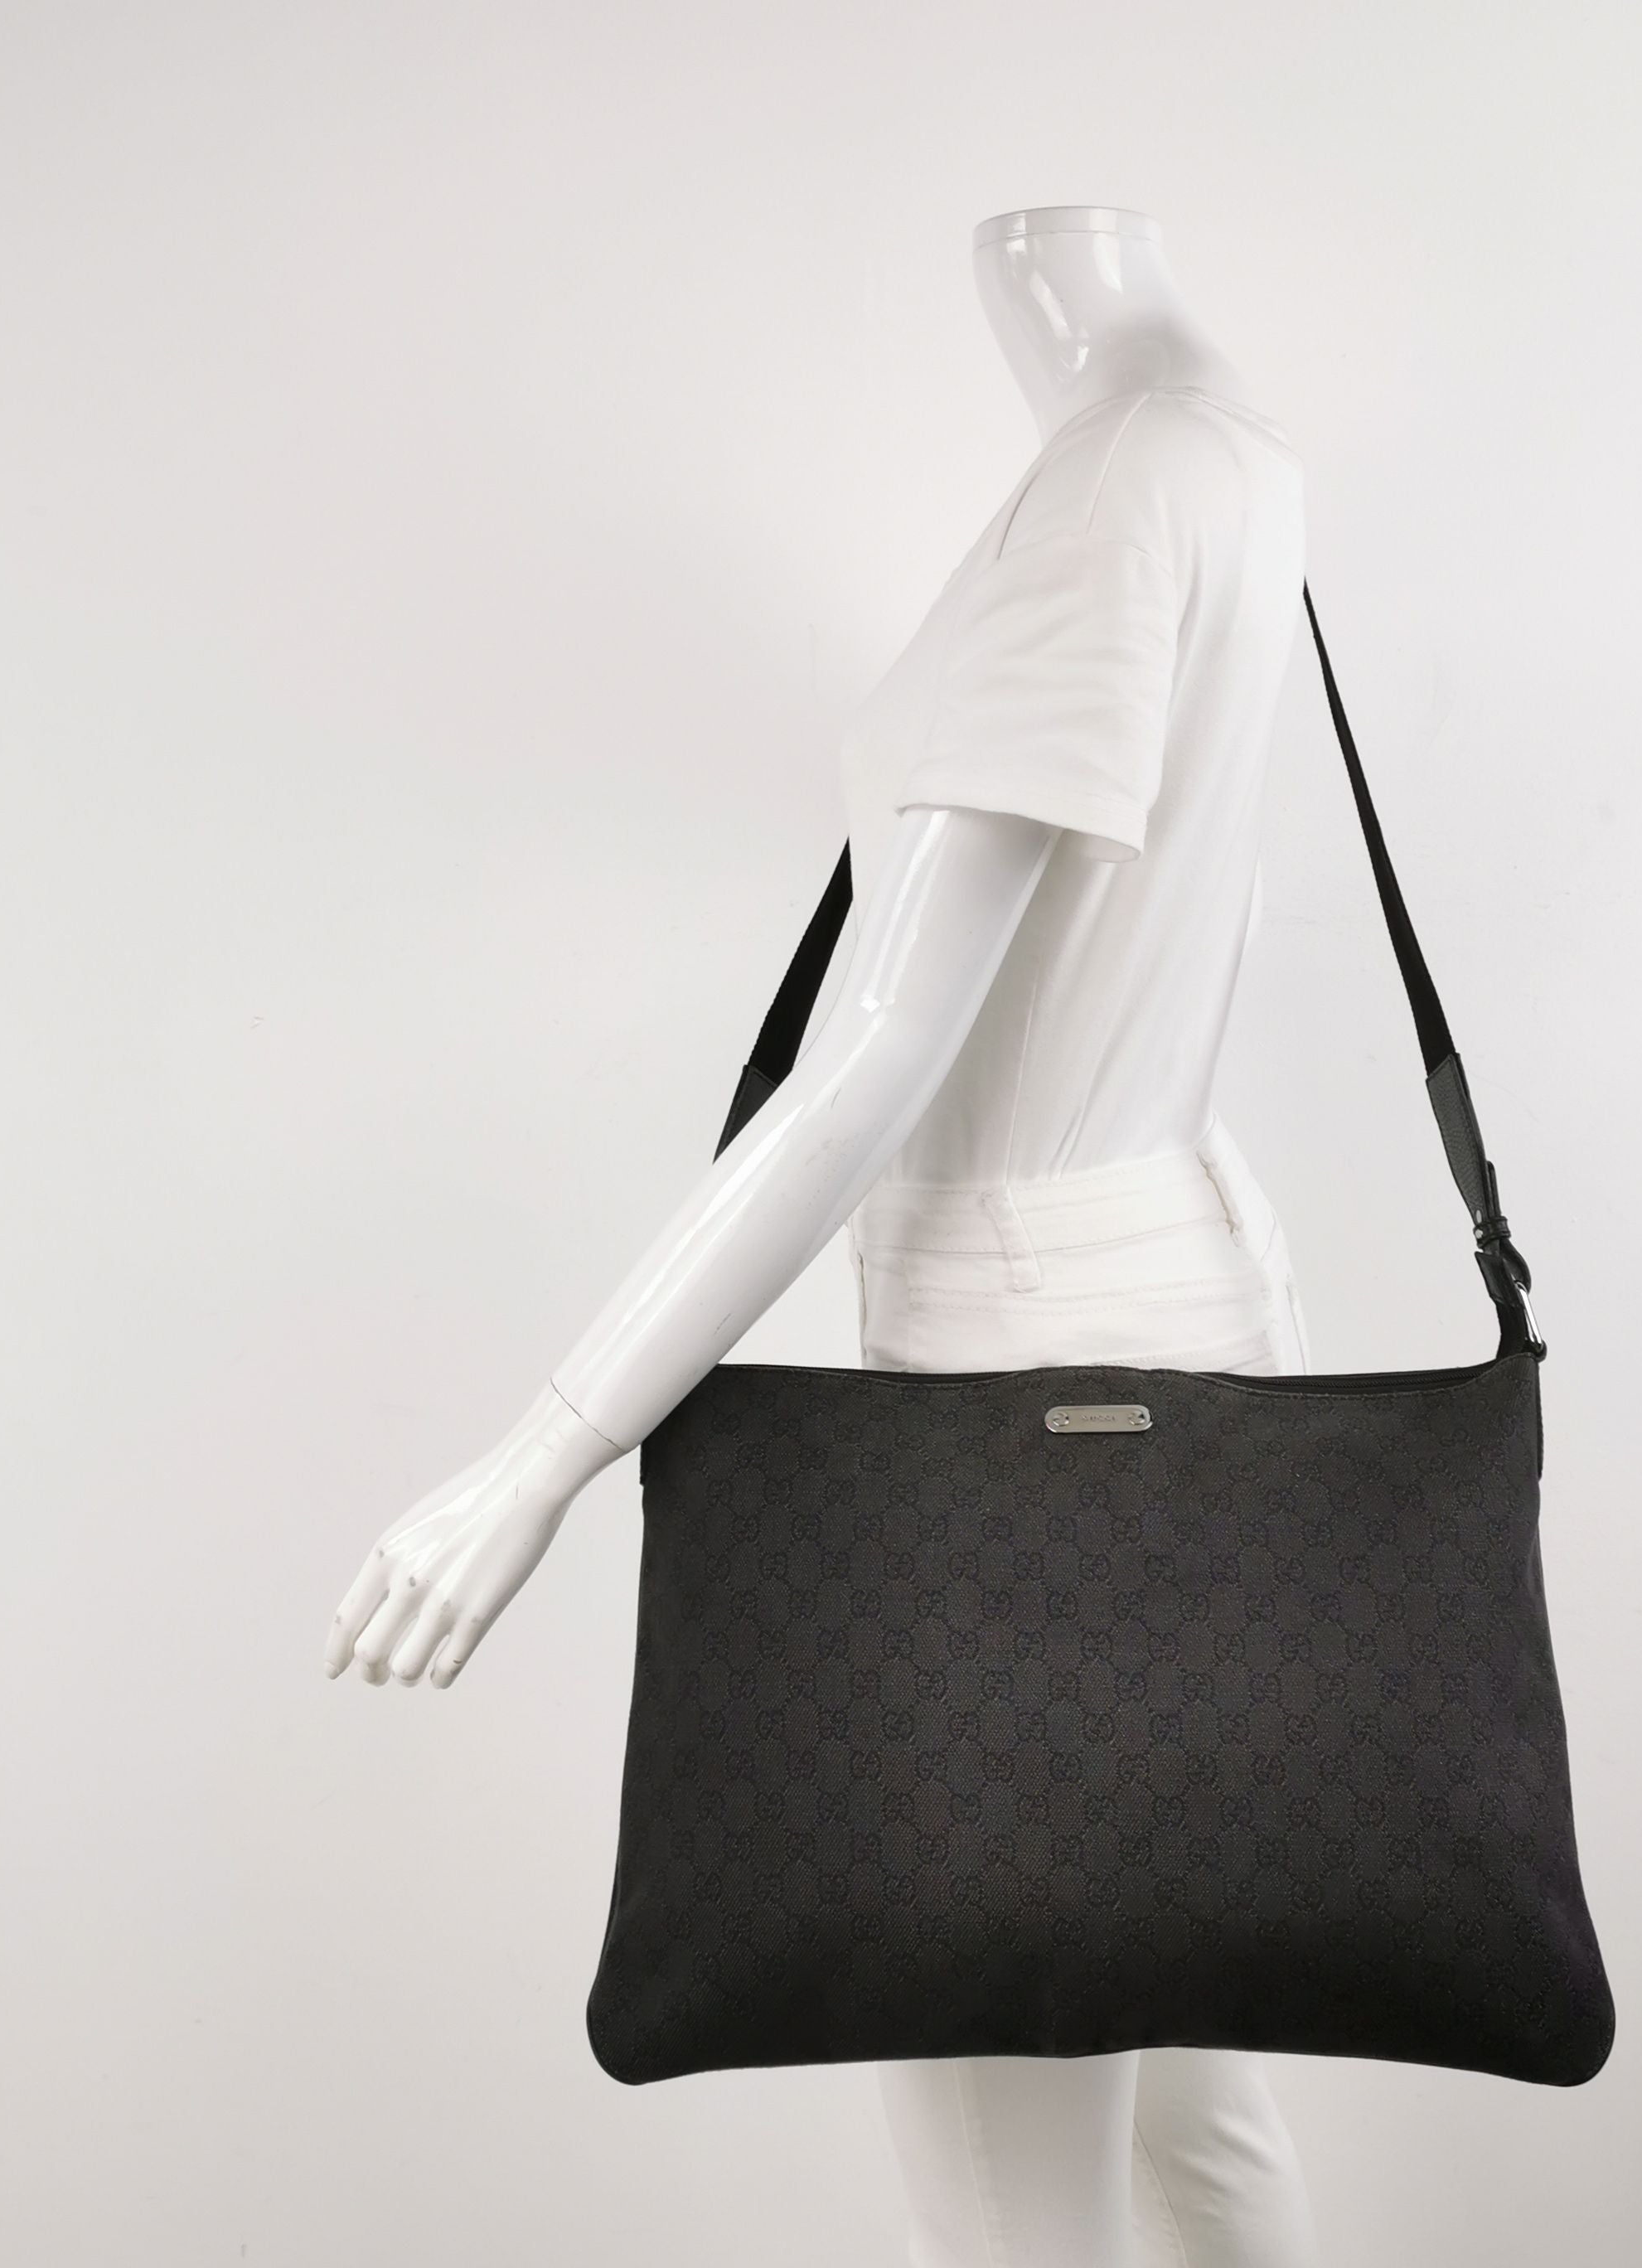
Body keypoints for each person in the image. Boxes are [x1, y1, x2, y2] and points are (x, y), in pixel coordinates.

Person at [326, 204, 1322, 2267]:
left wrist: (544, 1454)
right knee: (1197, 2118)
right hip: (1178, 1302)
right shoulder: (1231, 446)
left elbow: (876, 1054)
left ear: (1028, 253)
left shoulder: (1110, 491)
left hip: (1027, 1379)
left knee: (1014, 2164)